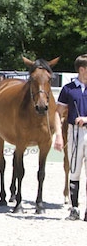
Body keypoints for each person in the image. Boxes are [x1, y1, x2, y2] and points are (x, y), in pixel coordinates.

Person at [55, 54, 87, 220]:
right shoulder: (68, 89)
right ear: (82, 70)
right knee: (74, 170)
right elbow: (57, 113)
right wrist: (59, 136)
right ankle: (74, 208)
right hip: (74, 132)